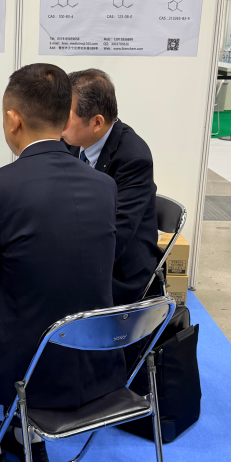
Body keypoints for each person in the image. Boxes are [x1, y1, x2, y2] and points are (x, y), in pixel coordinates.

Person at [0, 63, 123, 462]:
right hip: (95, 363)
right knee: (33, 311)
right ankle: (26, 437)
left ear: (13, 120)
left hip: (27, 369)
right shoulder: (103, 186)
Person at [63, 69, 161, 305]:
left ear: (96, 122)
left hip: (120, 270)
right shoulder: (71, 142)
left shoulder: (133, 158)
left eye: (65, 115)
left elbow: (116, 235)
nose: (57, 121)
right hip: (84, 247)